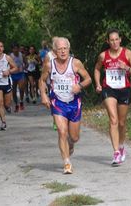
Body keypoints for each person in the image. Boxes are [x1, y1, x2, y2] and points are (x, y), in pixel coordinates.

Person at [39, 37, 92, 174]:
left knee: (74, 137)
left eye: (65, 48)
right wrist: (44, 95)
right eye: (59, 49)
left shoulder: (76, 63)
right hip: (58, 102)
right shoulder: (49, 65)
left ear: (69, 49)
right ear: (55, 51)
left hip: (74, 103)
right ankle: (67, 162)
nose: (62, 51)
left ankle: (71, 145)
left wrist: (79, 86)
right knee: (62, 132)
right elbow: (42, 80)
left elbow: (88, 79)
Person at [94, 29, 131, 166]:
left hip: (124, 90)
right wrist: (98, 84)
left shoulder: (127, 53)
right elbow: (97, 69)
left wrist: (126, 68)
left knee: (121, 123)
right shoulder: (103, 56)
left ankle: (121, 146)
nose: (114, 42)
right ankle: (115, 152)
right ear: (107, 41)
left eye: (116, 39)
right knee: (113, 120)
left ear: (120, 40)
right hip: (109, 89)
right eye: (112, 40)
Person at [10, 44, 26, 112]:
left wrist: (25, 67)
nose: (16, 50)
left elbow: (26, 62)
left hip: (21, 74)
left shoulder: (22, 55)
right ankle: (16, 104)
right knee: (13, 91)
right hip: (13, 75)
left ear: (18, 49)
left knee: (21, 88)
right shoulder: (10, 56)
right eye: (14, 49)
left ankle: (21, 101)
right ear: (12, 49)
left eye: (17, 48)